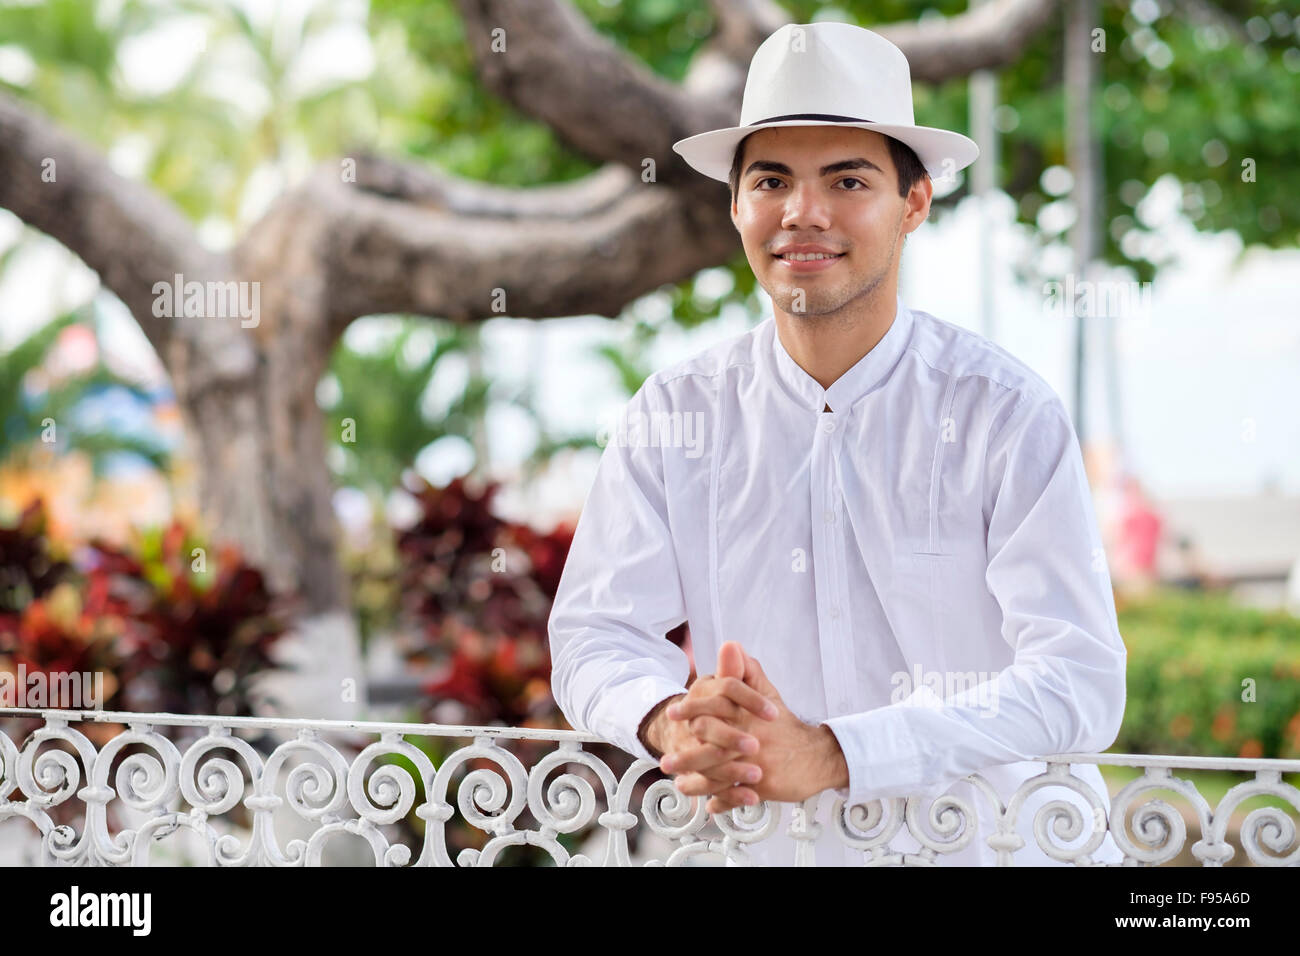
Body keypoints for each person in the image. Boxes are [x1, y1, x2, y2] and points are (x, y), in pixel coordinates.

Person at [548, 22, 1127, 866]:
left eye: (847, 180)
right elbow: (596, 634)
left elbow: (1079, 682)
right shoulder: (674, 414)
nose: (802, 214)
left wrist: (838, 753)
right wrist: (668, 717)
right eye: (771, 180)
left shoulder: (1006, 415)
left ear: (915, 203)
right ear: (736, 205)